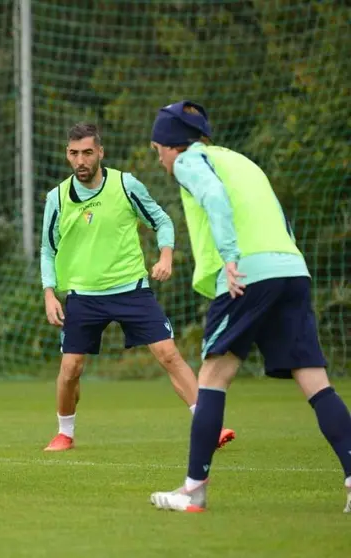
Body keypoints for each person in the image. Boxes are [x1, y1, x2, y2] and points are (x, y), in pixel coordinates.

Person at [146, 101, 351, 513]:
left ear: (170, 145)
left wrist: (230, 255)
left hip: (246, 274)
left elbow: (213, 197)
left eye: (159, 151)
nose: (163, 161)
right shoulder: (239, 160)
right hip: (292, 270)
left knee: (212, 377)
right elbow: (279, 216)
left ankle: (193, 490)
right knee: (315, 381)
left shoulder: (190, 160)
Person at [40, 123, 235, 452]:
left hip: (131, 289)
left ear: (100, 152)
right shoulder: (57, 198)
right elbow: (48, 249)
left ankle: (208, 427)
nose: (81, 160)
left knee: (168, 354)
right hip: (83, 296)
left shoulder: (125, 184)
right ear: (67, 155)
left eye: (88, 152)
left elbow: (162, 220)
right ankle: (65, 433)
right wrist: (48, 293)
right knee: (71, 368)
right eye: (74, 153)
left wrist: (166, 255)